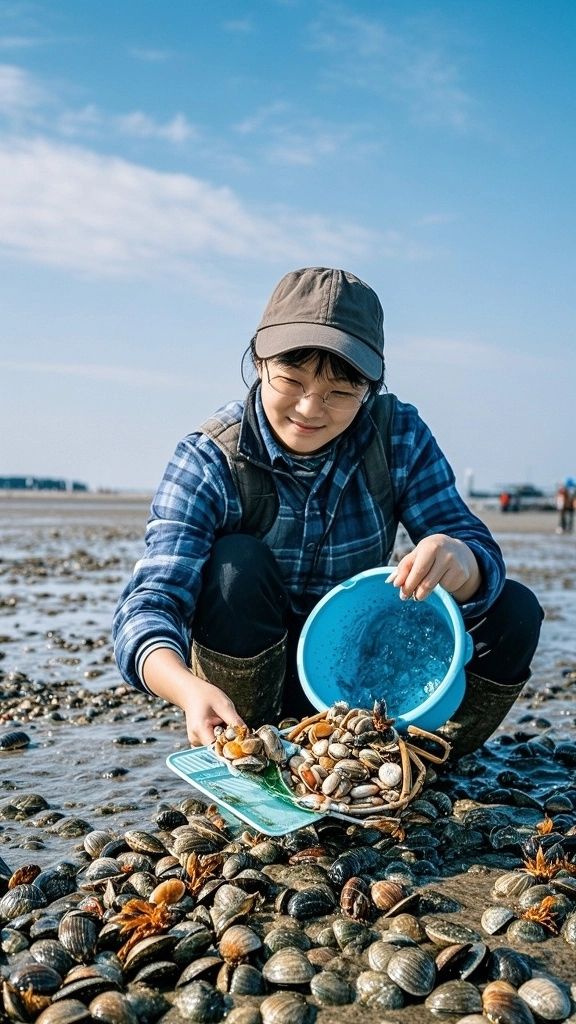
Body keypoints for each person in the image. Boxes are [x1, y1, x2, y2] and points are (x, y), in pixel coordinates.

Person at [113, 267, 544, 758]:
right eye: (291, 380)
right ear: (258, 362)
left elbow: (476, 549)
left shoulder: (397, 434)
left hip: (361, 679)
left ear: (370, 388)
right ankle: (257, 753)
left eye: (340, 392)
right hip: (254, 686)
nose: (310, 408)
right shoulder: (209, 458)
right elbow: (148, 606)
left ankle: (421, 761)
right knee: (237, 565)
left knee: (516, 609)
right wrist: (188, 690)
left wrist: (458, 560)